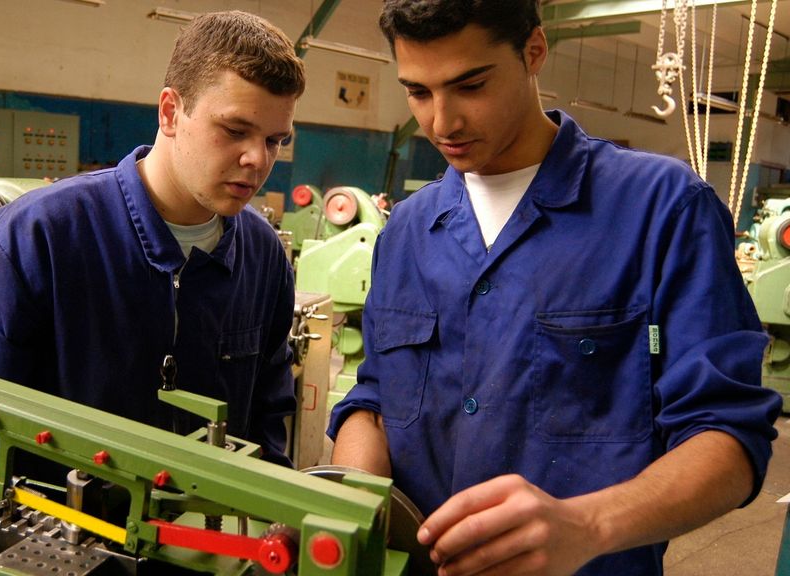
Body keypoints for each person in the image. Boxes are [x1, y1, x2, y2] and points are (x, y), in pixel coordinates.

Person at [327, 1, 783, 574]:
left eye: (470, 85)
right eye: (418, 92)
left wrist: (588, 525)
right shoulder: (407, 233)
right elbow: (373, 400)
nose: (441, 122)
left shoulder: (661, 209)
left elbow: (729, 435)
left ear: (534, 52)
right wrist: (349, 502)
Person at [0, 10, 306, 528]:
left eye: (276, 140)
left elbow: (269, 426)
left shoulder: (264, 256)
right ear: (170, 112)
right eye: (235, 130)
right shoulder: (40, 237)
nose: (258, 158)